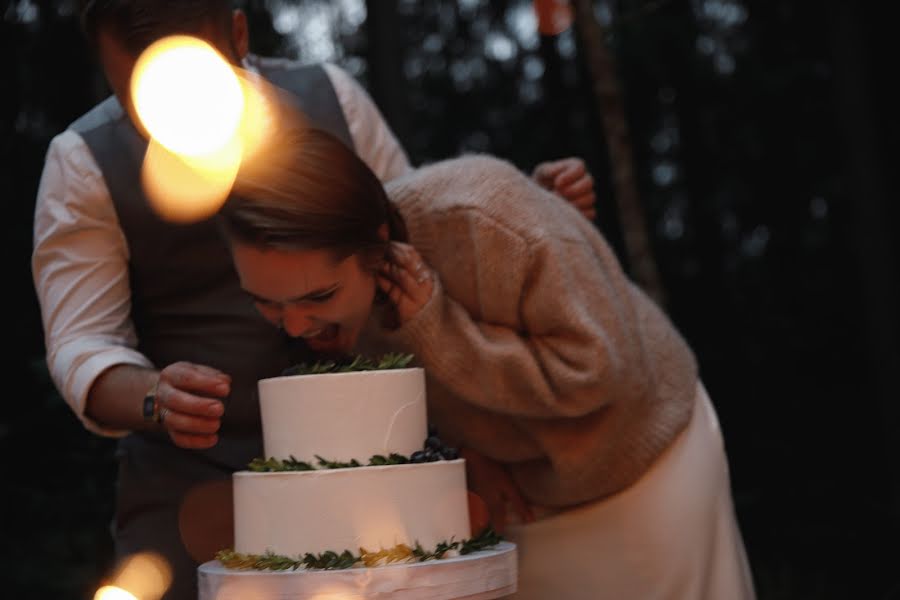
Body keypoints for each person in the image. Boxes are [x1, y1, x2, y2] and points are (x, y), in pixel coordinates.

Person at [31, 1, 599, 598]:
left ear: (238, 33)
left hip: (386, 478)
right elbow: (83, 342)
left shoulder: (332, 97)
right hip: (197, 495)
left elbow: (414, 239)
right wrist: (153, 396)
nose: (169, 120)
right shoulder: (82, 163)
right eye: (140, 98)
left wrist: (526, 215)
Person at [218, 124, 757, 599]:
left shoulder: (483, 216)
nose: (292, 325)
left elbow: (596, 373)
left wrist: (437, 329)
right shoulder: (332, 313)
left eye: (317, 298)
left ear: (378, 243)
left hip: (643, 457)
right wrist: (468, 452)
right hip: (530, 495)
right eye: (266, 301)